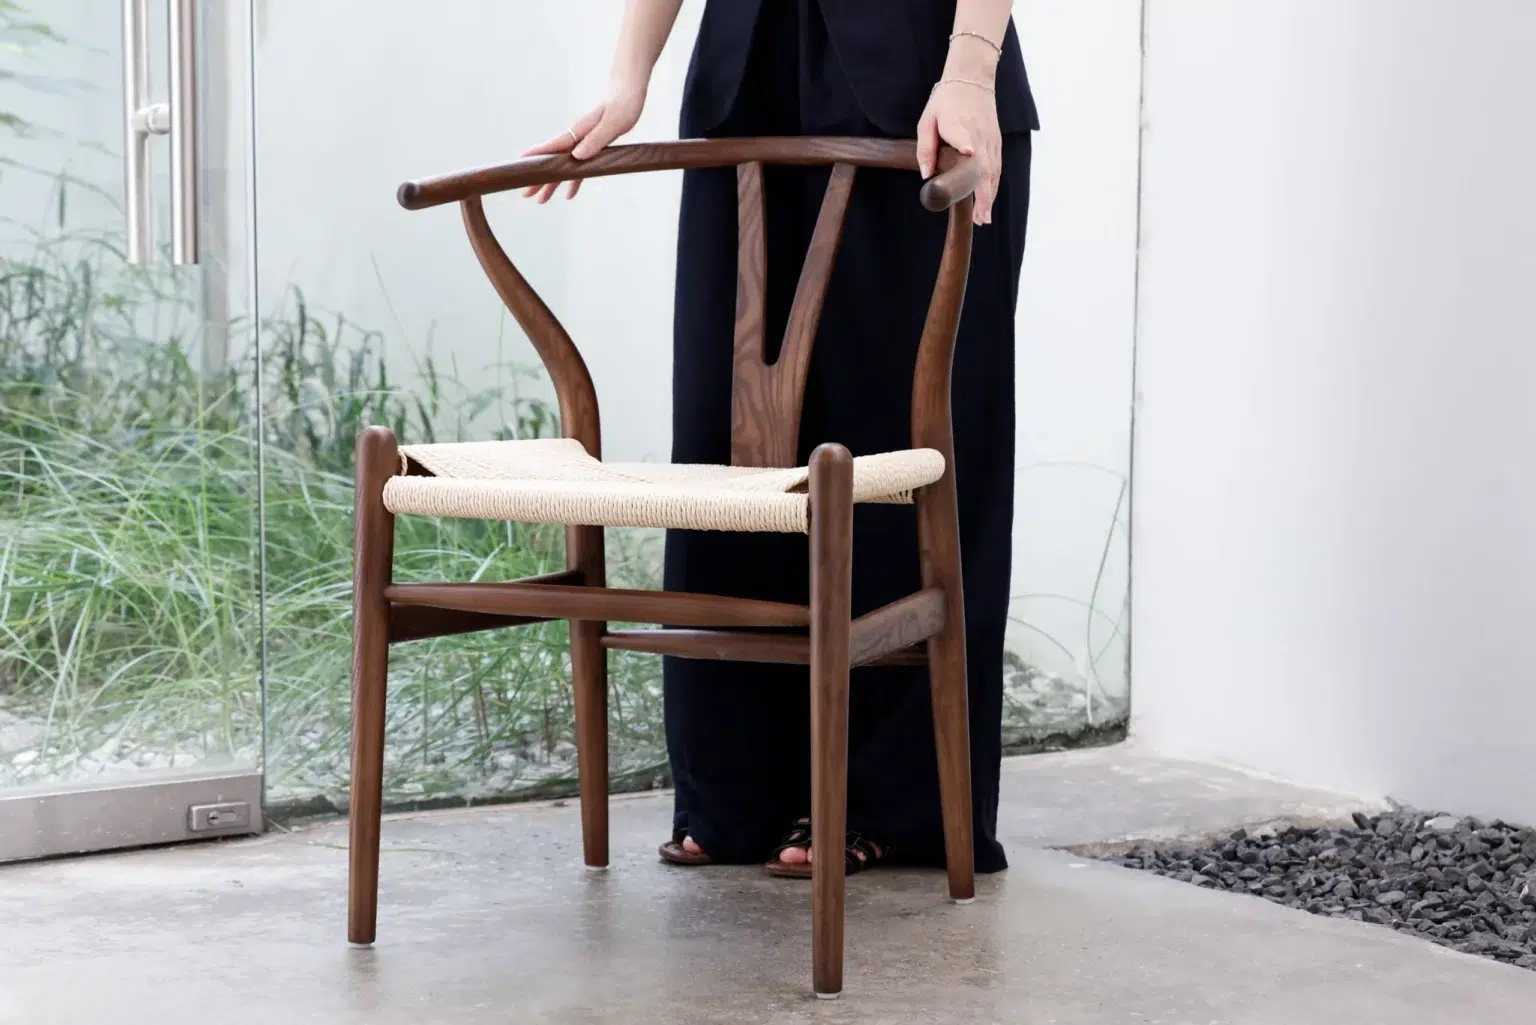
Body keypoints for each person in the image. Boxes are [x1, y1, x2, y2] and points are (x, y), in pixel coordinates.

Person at [522, 0, 1037, 876]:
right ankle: (733, 794)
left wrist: (969, 69)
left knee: (898, 450)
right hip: (746, 75)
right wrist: (627, 78)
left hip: (926, 85)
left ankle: (894, 803)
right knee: (735, 446)